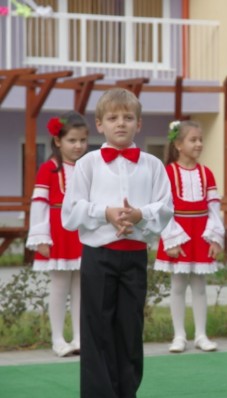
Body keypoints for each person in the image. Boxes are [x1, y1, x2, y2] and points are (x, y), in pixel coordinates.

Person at [62, 88, 174, 397]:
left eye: (128, 117)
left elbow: (166, 208)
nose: (120, 123)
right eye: (112, 118)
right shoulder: (88, 164)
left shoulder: (152, 165)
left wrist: (139, 215)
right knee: (96, 331)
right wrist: (106, 213)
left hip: (135, 257)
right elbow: (70, 213)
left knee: (129, 331)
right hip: (98, 257)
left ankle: (127, 392)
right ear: (99, 124)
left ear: (139, 124)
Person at [154, 120, 224, 353]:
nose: (199, 144)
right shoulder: (168, 172)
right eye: (193, 140)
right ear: (178, 144)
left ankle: (201, 335)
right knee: (177, 286)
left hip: (201, 234)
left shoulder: (207, 174)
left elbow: (214, 207)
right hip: (179, 233)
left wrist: (214, 237)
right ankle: (179, 335)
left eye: (200, 139)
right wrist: (172, 240)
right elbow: (163, 208)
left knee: (200, 286)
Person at [26, 111, 88, 357]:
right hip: (58, 234)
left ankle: (80, 338)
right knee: (60, 287)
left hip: (82, 232)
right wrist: (41, 237)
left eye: (82, 140)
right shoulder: (48, 169)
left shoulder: (87, 167)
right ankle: (57, 339)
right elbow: (39, 203)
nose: (78, 146)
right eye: (72, 140)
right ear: (58, 141)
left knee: (82, 288)